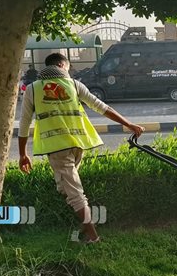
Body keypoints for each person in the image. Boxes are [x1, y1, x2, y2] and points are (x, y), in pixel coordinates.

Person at [18, 53, 145, 243]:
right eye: (68, 68)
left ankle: (92, 235)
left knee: (75, 193)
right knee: (66, 187)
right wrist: (129, 124)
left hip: (57, 147)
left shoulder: (33, 89)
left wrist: (23, 154)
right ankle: (84, 227)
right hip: (78, 145)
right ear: (62, 65)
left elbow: (24, 123)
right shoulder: (75, 85)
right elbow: (102, 107)